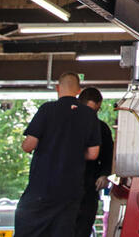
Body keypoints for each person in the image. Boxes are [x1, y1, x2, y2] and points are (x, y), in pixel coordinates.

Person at [14, 72, 101, 237]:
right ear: (78, 90)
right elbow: (93, 154)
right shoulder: (89, 116)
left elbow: (29, 146)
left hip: (42, 188)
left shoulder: (47, 110)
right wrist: (71, 151)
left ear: (57, 88)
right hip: (71, 190)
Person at [74, 87, 114, 237]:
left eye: (95, 111)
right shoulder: (66, 125)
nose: (92, 116)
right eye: (89, 111)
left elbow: (108, 155)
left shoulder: (101, 128)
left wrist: (104, 175)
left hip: (89, 187)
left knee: (82, 229)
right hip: (64, 188)